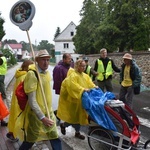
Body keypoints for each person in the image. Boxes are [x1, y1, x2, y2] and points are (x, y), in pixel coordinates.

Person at [15, 50, 62, 150]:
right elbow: (32, 100)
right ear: (37, 61)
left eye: (48, 60)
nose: (46, 63)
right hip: (36, 115)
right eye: (43, 60)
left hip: (48, 112)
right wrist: (42, 117)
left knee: (55, 136)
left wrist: (48, 112)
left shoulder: (46, 73)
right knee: (30, 140)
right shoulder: (32, 74)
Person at [57, 59, 98, 140]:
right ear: (77, 66)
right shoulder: (73, 76)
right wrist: (83, 89)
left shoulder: (85, 75)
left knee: (80, 117)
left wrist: (94, 87)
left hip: (81, 100)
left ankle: (77, 133)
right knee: (73, 119)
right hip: (73, 101)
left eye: (84, 66)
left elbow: (89, 83)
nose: (83, 67)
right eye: (82, 66)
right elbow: (73, 86)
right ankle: (64, 125)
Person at [6, 59, 34, 142]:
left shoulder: (20, 74)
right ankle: (14, 134)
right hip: (21, 101)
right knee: (20, 118)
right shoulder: (25, 76)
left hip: (16, 100)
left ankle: (12, 132)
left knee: (15, 116)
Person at [53, 53, 72, 121]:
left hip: (69, 88)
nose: (70, 60)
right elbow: (58, 80)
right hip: (63, 89)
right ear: (64, 59)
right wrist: (62, 89)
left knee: (66, 103)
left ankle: (58, 113)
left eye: (70, 59)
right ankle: (59, 114)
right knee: (65, 103)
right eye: (69, 59)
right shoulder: (59, 68)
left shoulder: (69, 66)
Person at [0, 50, 8, 126]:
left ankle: (2, 120)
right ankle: (2, 120)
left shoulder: (1, 59)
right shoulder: (4, 58)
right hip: (2, 75)